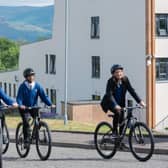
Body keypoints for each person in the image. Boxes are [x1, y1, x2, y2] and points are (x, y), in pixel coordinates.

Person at [101, 64, 146, 149]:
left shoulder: (125, 79)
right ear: (113, 74)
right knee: (118, 112)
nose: (119, 74)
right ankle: (114, 132)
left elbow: (131, 91)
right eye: (117, 72)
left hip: (120, 103)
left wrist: (140, 101)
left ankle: (119, 142)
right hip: (110, 102)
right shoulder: (110, 81)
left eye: (121, 72)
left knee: (123, 120)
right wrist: (115, 105)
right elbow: (109, 95)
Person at [16, 68, 55, 147]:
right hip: (24, 108)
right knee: (26, 121)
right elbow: (19, 98)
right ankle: (26, 140)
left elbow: (44, 96)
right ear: (26, 77)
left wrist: (50, 104)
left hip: (33, 107)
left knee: (38, 120)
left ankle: (34, 135)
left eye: (33, 75)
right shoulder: (22, 86)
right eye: (29, 76)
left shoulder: (37, 86)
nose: (31, 77)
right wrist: (20, 105)